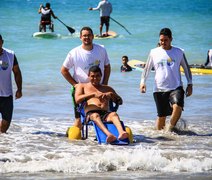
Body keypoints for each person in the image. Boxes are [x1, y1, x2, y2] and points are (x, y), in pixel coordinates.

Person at [140, 28, 193, 131]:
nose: (163, 42)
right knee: (161, 117)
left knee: (177, 107)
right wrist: (143, 82)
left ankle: (170, 128)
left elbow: (186, 68)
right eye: (161, 40)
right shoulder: (154, 52)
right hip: (159, 88)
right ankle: (161, 138)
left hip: (176, 87)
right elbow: (146, 69)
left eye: (165, 40)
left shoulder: (179, 52)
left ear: (171, 39)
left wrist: (190, 84)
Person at [61, 26, 111, 130]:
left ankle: (108, 134)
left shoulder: (101, 49)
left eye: (89, 35)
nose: (86, 37)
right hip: (82, 90)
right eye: (84, 36)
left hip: (99, 87)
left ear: (93, 36)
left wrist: (105, 83)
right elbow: (64, 70)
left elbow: (107, 67)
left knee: (106, 114)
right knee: (79, 120)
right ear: (80, 37)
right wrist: (75, 84)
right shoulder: (74, 52)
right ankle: (78, 139)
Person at [75, 65, 128, 143]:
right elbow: (77, 100)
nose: (95, 78)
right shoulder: (82, 86)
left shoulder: (107, 88)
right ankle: (109, 135)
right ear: (88, 76)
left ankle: (122, 132)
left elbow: (120, 102)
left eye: (97, 76)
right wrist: (93, 94)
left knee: (113, 114)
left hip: (105, 113)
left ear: (101, 76)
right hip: (91, 114)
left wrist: (113, 95)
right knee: (95, 115)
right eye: (92, 76)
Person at [0, 34, 22, 133]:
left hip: (6, 95)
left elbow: (17, 72)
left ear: (2, 42)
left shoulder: (10, 54)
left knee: (6, 123)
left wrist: (19, 89)